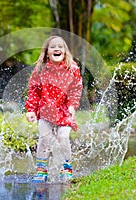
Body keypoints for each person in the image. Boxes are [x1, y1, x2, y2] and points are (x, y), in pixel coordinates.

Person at [25, 36, 83, 183]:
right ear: (46, 52)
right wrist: (31, 109)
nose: (57, 49)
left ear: (65, 51)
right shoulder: (40, 69)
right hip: (46, 110)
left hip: (64, 110)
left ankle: (66, 167)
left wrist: (72, 105)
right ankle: (41, 170)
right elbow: (34, 90)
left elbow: (76, 89)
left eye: (60, 46)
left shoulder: (72, 68)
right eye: (52, 47)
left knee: (63, 137)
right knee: (44, 139)